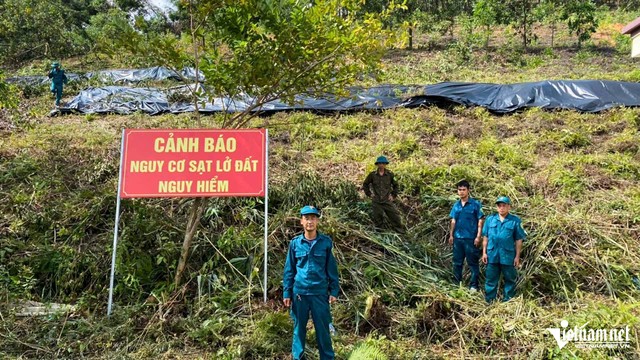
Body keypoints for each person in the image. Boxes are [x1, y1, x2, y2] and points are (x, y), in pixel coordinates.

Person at [283, 205, 339, 360]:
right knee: (299, 330)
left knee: (323, 331)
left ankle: (327, 357)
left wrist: (334, 290)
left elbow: (332, 268)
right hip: (300, 293)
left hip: (319, 293)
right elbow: (289, 269)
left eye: (313, 218)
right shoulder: (295, 244)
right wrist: (287, 292)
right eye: (307, 218)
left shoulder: (325, 243)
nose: (310, 222)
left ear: (317, 221)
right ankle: (298, 358)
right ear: (301, 221)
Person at [481, 196, 526, 303]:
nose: (501, 208)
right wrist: (484, 253)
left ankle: (508, 301)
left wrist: (517, 256)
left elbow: (519, 239)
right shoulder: (490, 220)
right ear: (497, 207)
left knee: (510, 279)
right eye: (499, 206)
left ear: (509, 207)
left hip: (508, 255)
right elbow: (485, 237)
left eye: (504, 206)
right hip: (492, 254)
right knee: (491, 279)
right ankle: (489, 301)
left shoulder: (515, 221)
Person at [449, 180, 484, 292]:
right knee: (457, 262)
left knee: (472, 262)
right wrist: (451, 235)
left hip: (470, 239)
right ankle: (456, 284)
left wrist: (478, 236)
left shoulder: (475, 204)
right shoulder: (456, 205)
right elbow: (453, 220)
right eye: (459, 190)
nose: (461, 192)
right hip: (458, 239)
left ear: (468, 190)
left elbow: (480, 220)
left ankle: (474, 286)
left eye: (464, 190)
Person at [362, 156, 405, 233]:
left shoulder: (390, 174)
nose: (381, 165)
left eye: (383, 163)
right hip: (376, 201)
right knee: (378, 219)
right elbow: (365, 184)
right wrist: (369, 194)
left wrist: (393, 195)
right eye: (380, 163)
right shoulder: (372, 175)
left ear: (385, 164)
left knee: (395, 216)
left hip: (386, 200)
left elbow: (396, 185)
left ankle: (400, 231)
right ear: (377, 165)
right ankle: (380, 234)